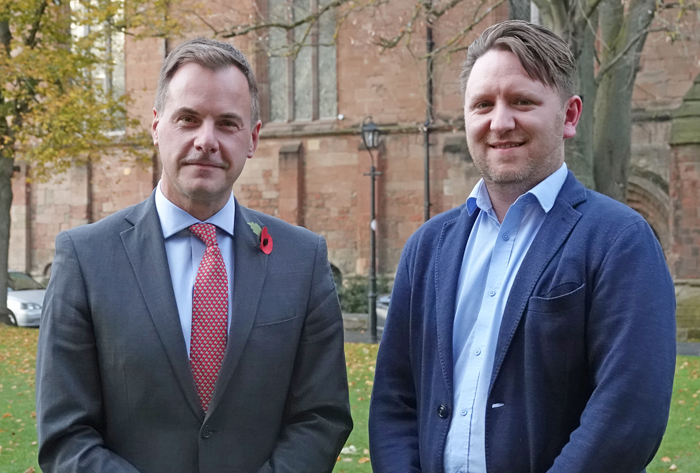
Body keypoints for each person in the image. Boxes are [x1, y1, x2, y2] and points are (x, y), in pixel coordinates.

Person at [368, 20, 676, 473]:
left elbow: (628, 411)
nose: (500, 122)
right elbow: (395, 400)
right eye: (482, 105)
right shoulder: (428, 249)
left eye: (522, 102)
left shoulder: (619, 241)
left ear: (569, 116)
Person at [36, 38, 352, 473]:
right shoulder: (86, 259)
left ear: (253, 138)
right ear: (156, 126)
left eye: (227, 123)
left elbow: (322, 416)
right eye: (188, 119)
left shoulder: (303, 259)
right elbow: (65, 433)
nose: (207, 140)